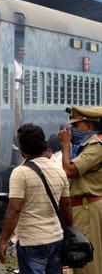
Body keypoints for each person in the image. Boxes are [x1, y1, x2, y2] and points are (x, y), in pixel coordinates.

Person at [0, 124, 72, 274]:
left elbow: (15, 209)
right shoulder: (59, 170)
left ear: (22, 150)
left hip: (32, 241)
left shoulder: (20, 173)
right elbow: (66, 205)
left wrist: (3, 240)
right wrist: (69, 231)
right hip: (56, 238)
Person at [59, 107, 102, 274]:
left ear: (89, 126)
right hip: (83, 207)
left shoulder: (96, 146)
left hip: (87, 209)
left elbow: (69, 170)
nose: (71, 130)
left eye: (76, 125)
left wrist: (65, 145)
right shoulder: (85, 145)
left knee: (86, 263)